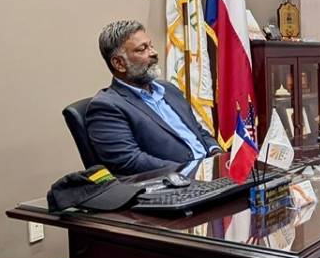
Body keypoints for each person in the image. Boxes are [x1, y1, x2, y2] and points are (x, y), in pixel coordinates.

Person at [86, 20, 220, 175]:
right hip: (178, 183)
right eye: (142, 49)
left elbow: (198, 131)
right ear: (119, 63)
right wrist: (192, 171)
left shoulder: (168, 89)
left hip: (209, 173)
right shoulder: (106, 107)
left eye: (151, 46)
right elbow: (130, 161)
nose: (153, 53)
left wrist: (217, 154)